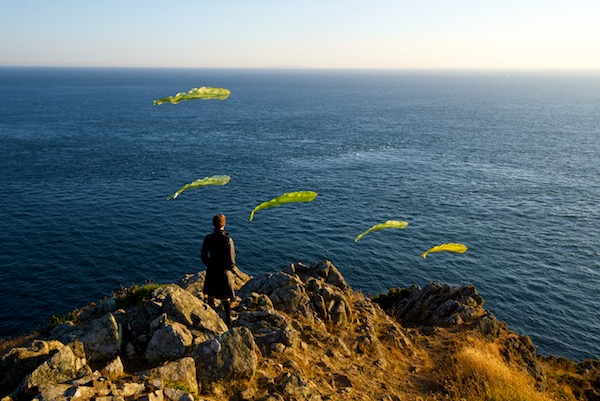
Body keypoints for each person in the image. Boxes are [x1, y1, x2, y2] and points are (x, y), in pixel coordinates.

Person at [201, 214, 236, 326]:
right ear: (224, 224)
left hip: (212, 270)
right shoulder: (227, 239)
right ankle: (228, 319)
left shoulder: (208, 238)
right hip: (224, 271)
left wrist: (209, 264)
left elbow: (203, 255)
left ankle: (212, 317)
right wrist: (230, 268)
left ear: (213, 224)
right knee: (226, 297)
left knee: (211, 295)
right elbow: (231, 258)